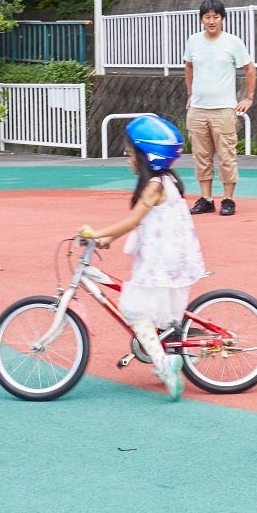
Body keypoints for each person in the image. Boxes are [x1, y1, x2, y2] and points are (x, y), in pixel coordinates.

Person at [76, 115, 206, 400]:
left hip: (163, 262)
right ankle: (165, 350)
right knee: (148, 310)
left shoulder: (155, 186)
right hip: (167, 259)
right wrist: (107, 239)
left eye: (129, 153)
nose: (127, 158)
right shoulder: (164, 181)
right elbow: (141, 221)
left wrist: (98, 232)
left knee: (134, 309)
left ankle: (165, 366)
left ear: (147, 156)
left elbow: (133, 220)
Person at [182, 0, 256, 217]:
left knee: (226, 155)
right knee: (201, 156)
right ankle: (206, 199)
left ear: (222, 19)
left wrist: (248, 98)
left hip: (224, 108)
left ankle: (228, 199)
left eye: (216, 17)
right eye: (207, 17)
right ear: (201, 19)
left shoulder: (232, 42)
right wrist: (189, 94)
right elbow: (188, 67)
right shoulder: (193, 41)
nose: (211, 21)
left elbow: (250, 69)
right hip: (197, 108)